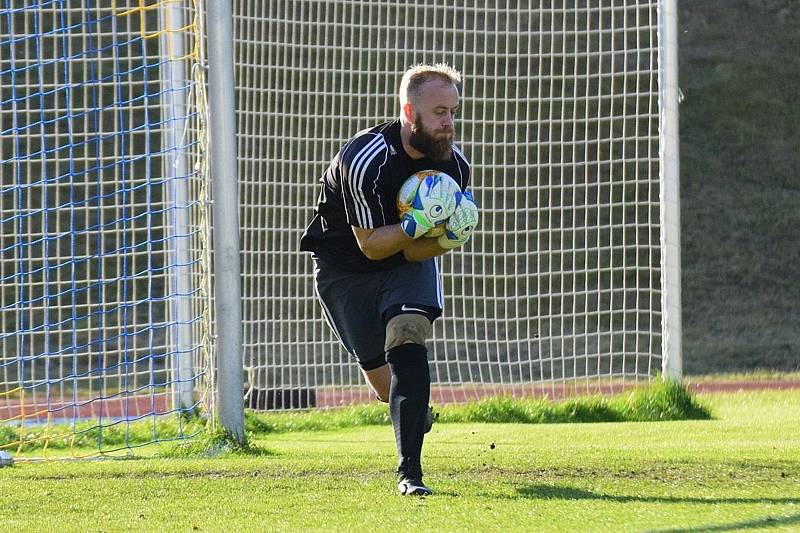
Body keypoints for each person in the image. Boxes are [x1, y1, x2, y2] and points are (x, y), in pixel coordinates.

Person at [300, 63, 478, 496]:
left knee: (408, 337)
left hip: (403, 264)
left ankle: (409, 475)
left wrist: (450, 237)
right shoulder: (365, 160)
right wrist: (420, 223)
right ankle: (411, 409)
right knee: (385, 385)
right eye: (439, 112)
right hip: (346, 268)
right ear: (408, 111)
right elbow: (371, 245)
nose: (449, 124)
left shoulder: (453, 169)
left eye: (453, 112)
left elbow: (412, 253)